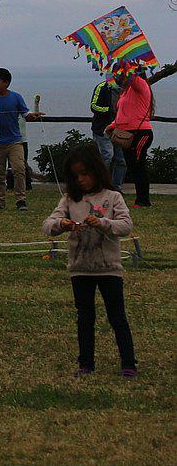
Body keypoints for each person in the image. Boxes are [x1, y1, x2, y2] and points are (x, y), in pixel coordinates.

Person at [41, 144, 138, 377]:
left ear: (97, 171)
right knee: (85, 318)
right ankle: (85, 364)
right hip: (80, 269)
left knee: (117, 317)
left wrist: (104, 222)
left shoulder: (112, 197)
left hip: (109, 269)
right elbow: (47, 225)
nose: (81, 180)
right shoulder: (68, 200)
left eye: (85, 174)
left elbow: (125, 225)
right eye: (76, 176)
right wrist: (60, 224)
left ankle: (128, 364)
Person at [0, 68, 35, 211]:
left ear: (6, 83)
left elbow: (26, 114)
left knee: (19, 169)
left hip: (15, 141)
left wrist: (33, 115)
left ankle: (21, 200)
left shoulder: (16, 97)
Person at [107, 66, 154, 208]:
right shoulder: (126, 91)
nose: (119, 78)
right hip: (126, 134)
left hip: (141, 133)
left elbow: (131, 76)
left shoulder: (140, 83)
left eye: (121, 75)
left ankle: (143, 200)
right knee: (133, 166)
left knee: (138, 165)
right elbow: (124, 112)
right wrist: (112, 125)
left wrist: (125, 61)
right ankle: (141, 198)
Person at [89, 75, 125, 188]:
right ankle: (101, 185)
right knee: (107, 156)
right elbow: (93, 106)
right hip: (103, 129)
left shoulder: (125, 89)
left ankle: (115, 187)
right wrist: (109, 110)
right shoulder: (102, 87)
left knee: (121, 160)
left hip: (118, 129)